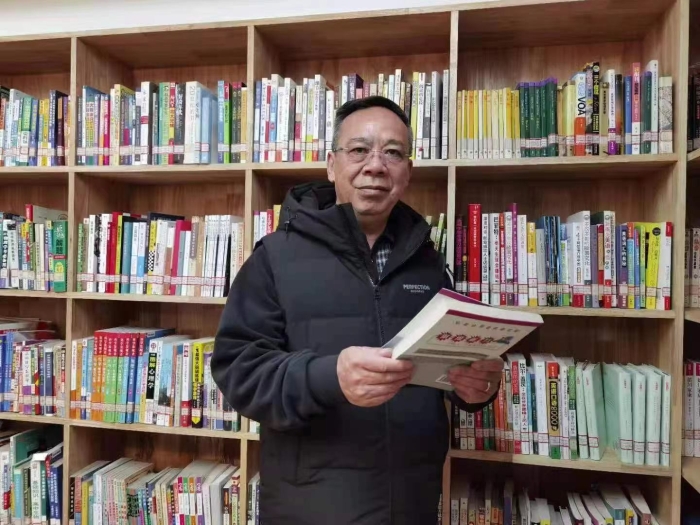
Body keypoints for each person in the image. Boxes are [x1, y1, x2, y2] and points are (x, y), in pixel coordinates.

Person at [212, 96, 503, 525]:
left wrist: (477, 388)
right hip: (309, 509)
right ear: (332, 166)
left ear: (407, 171)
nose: (376, 166)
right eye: (359, 150)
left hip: (413, 504)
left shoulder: (428, 262)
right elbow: (239, 371)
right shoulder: (274, 257)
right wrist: (328, 376)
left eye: (393, 152)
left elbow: (446, 367)